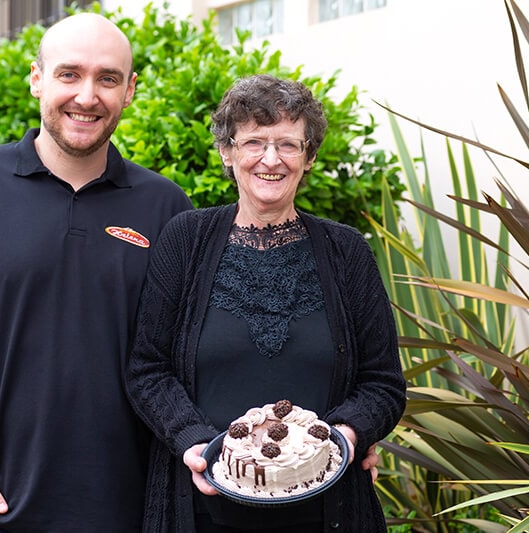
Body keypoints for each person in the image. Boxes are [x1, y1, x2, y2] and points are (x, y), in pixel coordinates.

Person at [0, 13, 192, 533]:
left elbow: (196, 352)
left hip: (131, 513)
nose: (87, 96)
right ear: (36, 78)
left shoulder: (166, 206)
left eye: (107, 78)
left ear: (130, 90)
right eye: (69, 74)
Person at [124, 74, 407, 532]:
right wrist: (196, 445)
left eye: (289, 145)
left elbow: (384, 384)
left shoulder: (347, 251)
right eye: (254, 142)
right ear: (227, 151)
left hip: (326, 512)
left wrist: (343, 440)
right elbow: (148, 369)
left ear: (309, 156)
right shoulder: (185, 240)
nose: (270, 160)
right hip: (202, 508)